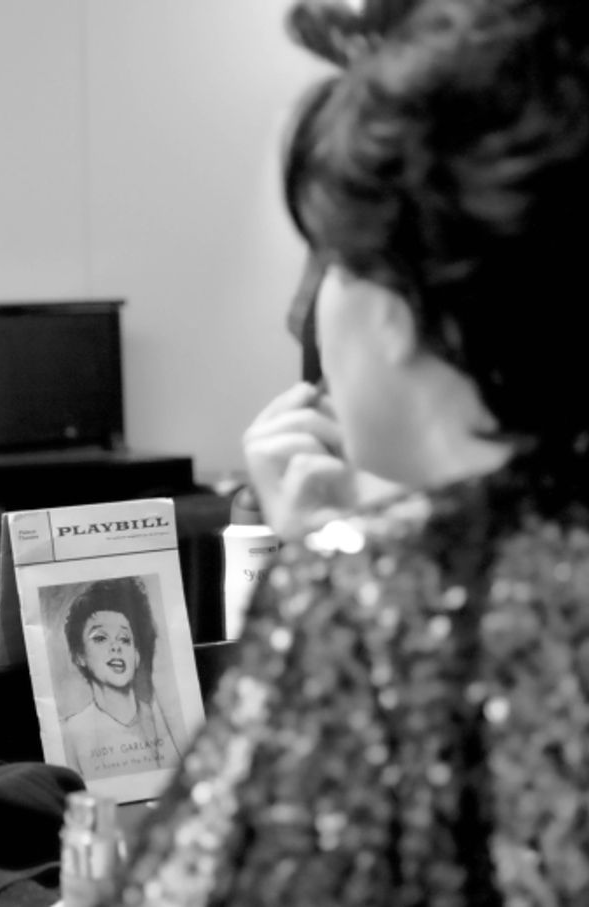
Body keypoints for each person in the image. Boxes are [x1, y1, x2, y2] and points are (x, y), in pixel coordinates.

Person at [117, 1, 589, 903]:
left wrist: (338, 574)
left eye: (329, 261)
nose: (305, 311)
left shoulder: (366, 597)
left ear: (402, 309)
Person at [59, 578, 180, 778]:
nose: (116, 647)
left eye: (124, 639)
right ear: (79, 655)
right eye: (100, 638)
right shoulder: (69, 734)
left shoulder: (161, 721)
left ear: (137, 655)